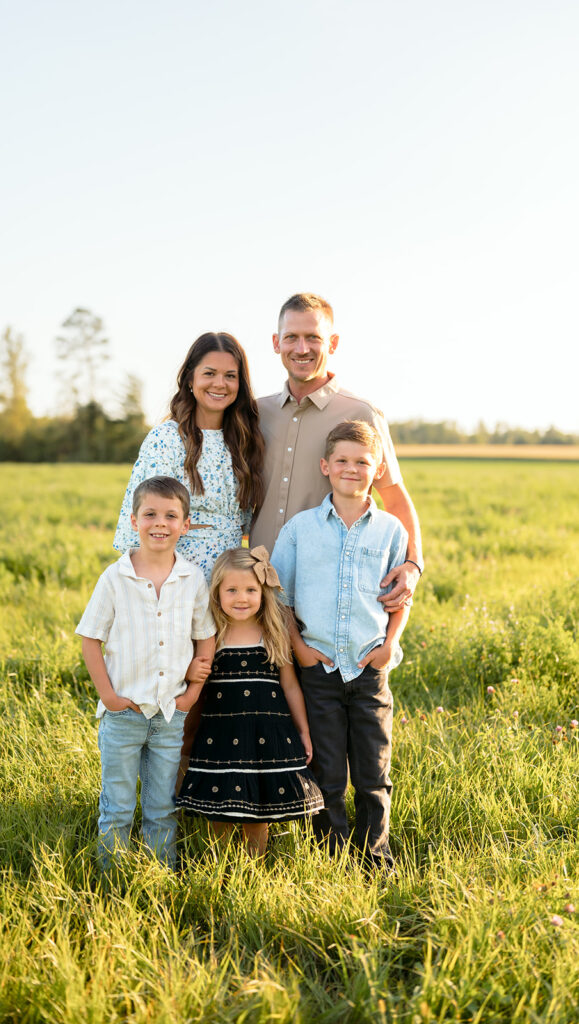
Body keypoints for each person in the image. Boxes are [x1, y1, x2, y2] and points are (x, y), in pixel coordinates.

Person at [270, 421, 411, 871]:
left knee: (373, 774)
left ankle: (375, 857)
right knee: (326, 772)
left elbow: (401, 599)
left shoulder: (391, 531)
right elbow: (280, 597)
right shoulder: (300, 529)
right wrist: (299, 647)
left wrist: (390, 645)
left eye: (363, 462)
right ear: (325, 466)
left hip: (370, 671)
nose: (352, 469)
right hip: (319, 670)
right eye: (343, 460)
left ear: (378, 469)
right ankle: (332, 858)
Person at [76, 476, 216, 870]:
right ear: (134, 520)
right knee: (117, 805)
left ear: (185, 525)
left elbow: (205, 637)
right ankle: (113, 876)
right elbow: (90, 639)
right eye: (150, 514)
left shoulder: (192, 578)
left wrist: (191, 693)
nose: (160, 523)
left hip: (170, 714)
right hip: (123, 713)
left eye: (171, 516)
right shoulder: (115, 577)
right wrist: (108, 697)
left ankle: (159, 874)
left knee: (162, 806)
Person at [250, 293, 423, 610]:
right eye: (291, 337)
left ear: (333, 343)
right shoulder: (256, 414)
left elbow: (394, 497)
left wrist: (413, 564)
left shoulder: (362, 414)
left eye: (313, 338)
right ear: (276, 343)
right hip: (255, 588)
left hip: (326, 596)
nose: (302, 348)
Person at [176, 546, 324, 857]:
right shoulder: (212, 634)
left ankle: (252, 867)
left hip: (266, 736)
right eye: (231, 590)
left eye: (250, 590)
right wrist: (188, 670)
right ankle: (218, 865)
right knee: (218, 807)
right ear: (217, 592)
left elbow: (290, 686)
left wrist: (304, 730)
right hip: (221, 736)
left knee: (259, 810)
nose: (241, 598)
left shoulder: (272, 632)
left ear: (262, 592)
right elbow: (195, 675)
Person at [113, 332, 265, 582]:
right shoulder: (167, 439)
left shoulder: (243, 441)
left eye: (230, 376)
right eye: (209, 373)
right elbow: (146, 519)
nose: (220, 383)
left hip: (229, 581)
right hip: (178, 579)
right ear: (190, 379)